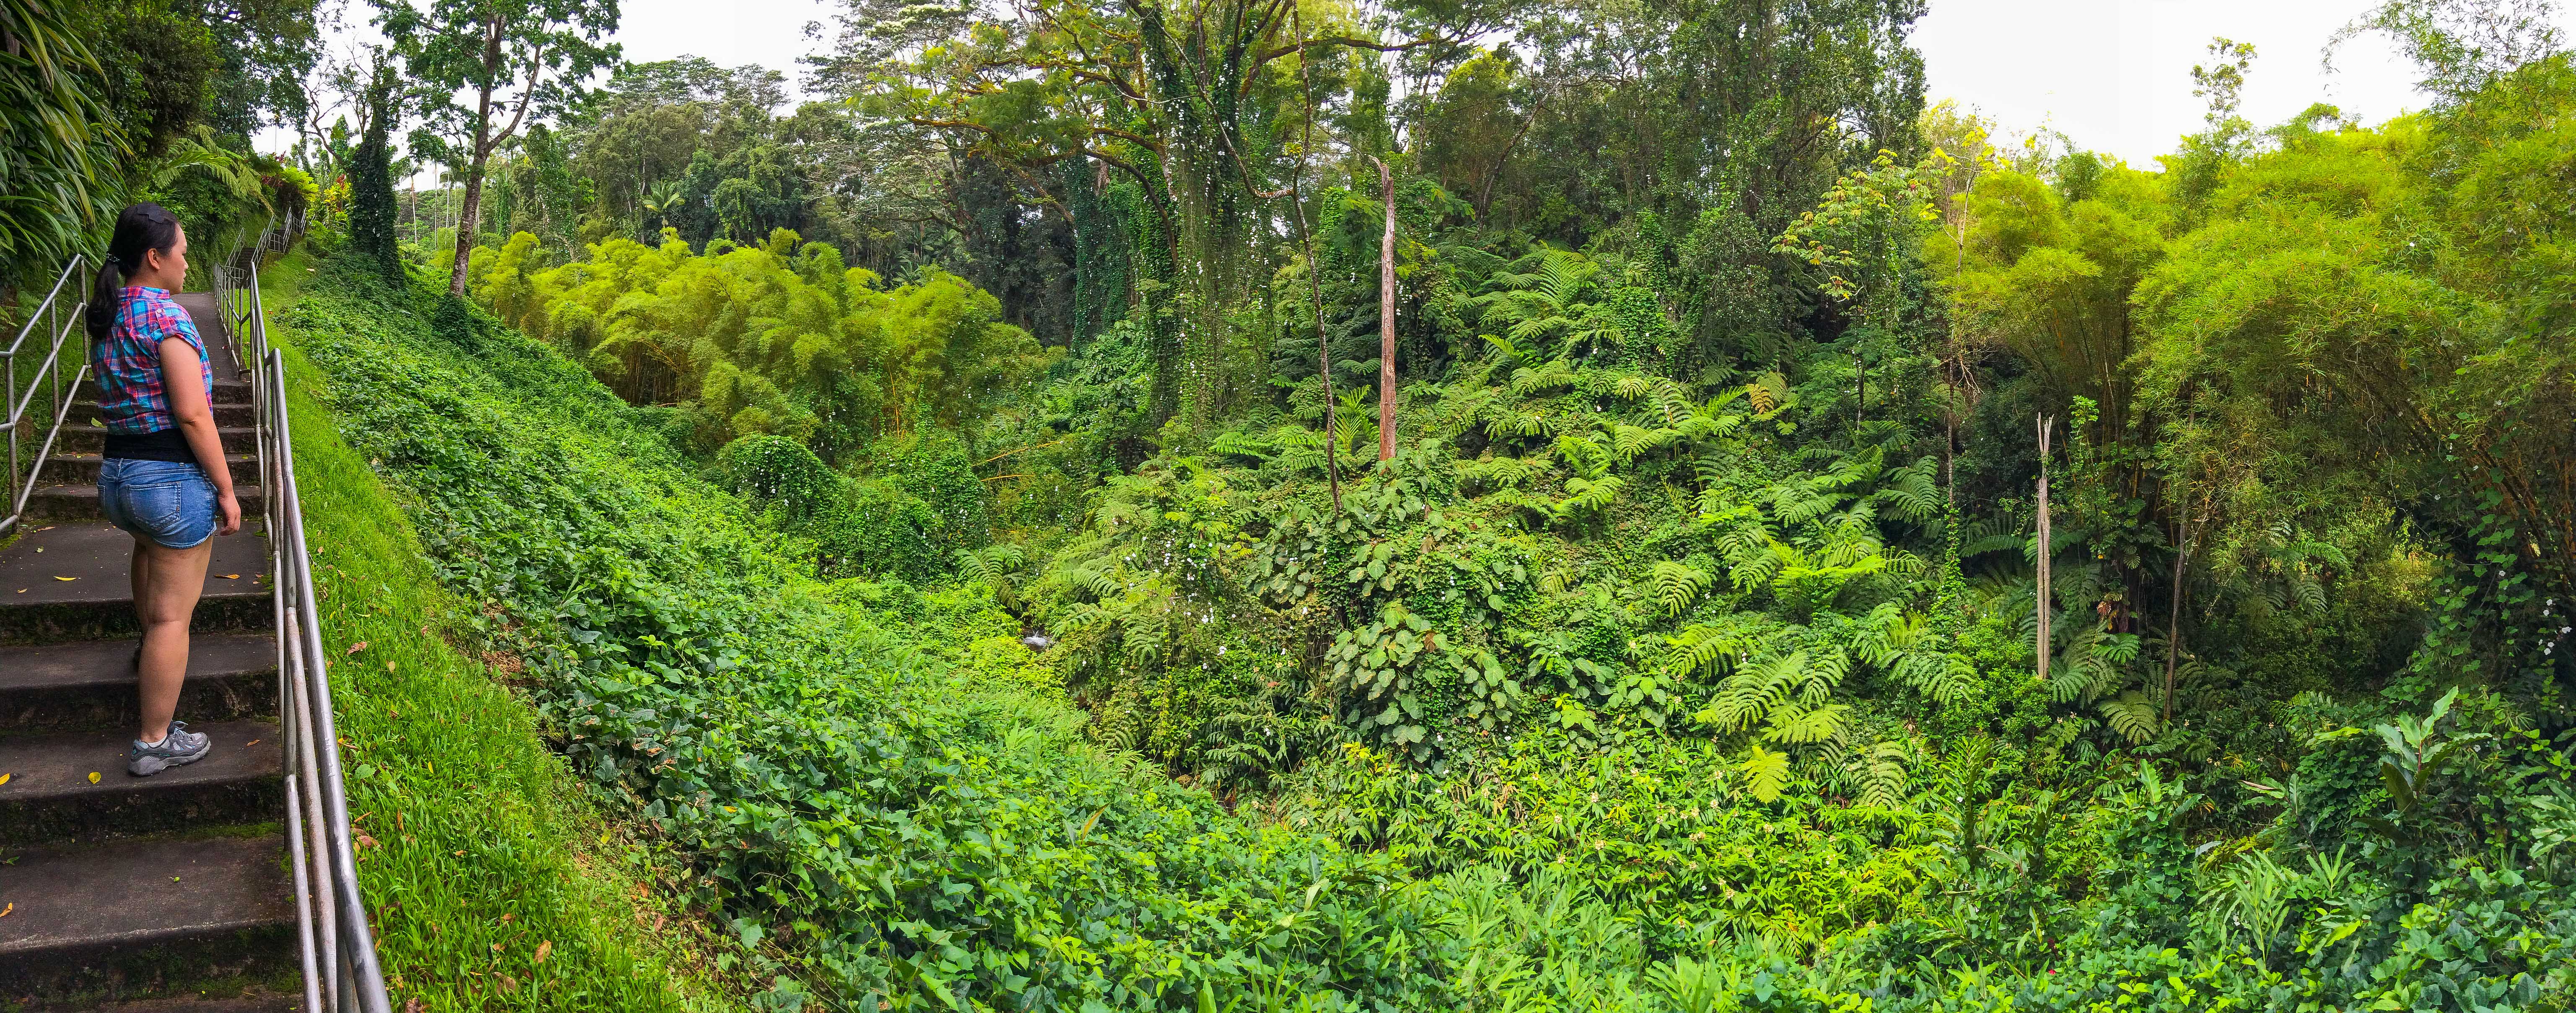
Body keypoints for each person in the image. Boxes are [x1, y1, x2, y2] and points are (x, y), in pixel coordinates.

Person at [84, 203, 243, 776]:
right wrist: (227, 489)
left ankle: (150, 655)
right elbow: (193, 414)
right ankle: (154, 742)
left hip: (119, 477)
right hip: (169, 480)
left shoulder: (108, 314)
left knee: (147, 555)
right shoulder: (166, 318)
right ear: (154, 257)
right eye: (182, 252)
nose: (187, 263)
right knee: (174, 619)